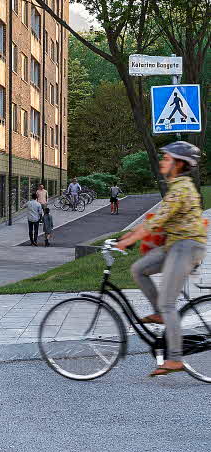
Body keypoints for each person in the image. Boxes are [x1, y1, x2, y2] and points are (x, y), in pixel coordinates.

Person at [115, 141, 207, 377]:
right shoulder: (175, 186)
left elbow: (157, 222)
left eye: (167, 159)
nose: (163, 162)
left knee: (169, 303)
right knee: (139, 268)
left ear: (178, 164)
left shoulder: (182, 189)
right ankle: (159, 312)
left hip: (186, 247)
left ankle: (174, 359)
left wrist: (128, 240)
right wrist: (130, 235)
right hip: (173, 245)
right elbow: (155, 221)